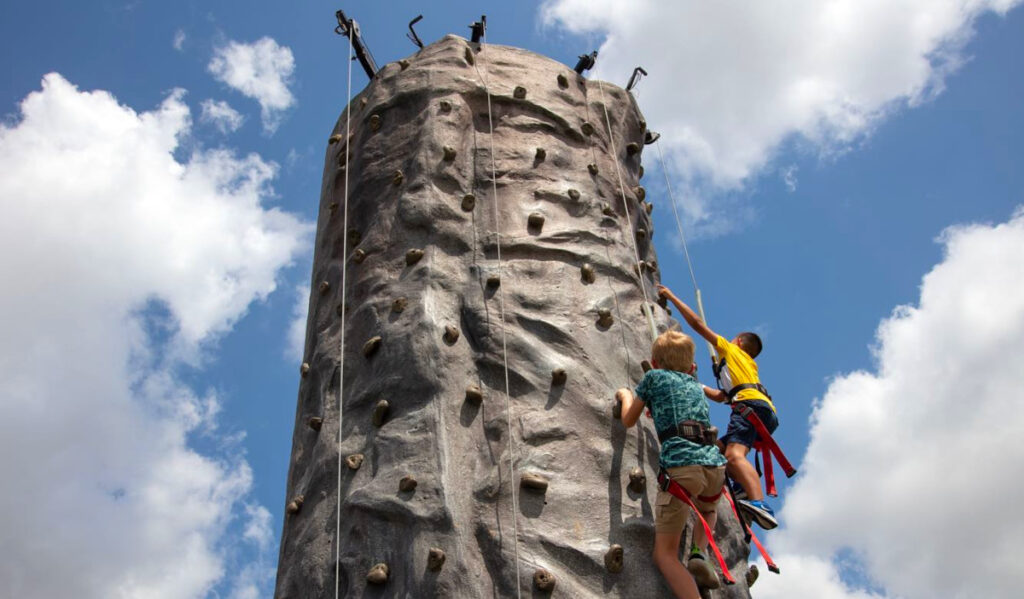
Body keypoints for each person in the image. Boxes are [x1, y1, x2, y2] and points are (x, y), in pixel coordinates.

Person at [656, 284, 780, 530]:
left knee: (734, 455)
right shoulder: (744, 370)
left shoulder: (733, 351)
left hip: (749, 407)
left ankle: (758, 502)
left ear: (740, 343)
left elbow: (698, 326)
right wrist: (692, 384)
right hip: (759, 409)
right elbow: (721, 396)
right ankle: (743, 491)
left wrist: (671, 296)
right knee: (717, 452)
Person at [615, 330, 727, 597]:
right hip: (714, 467)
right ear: (691, 366)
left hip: (681, 468)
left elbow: (629, 420)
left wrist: (624, 396)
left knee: (665, 555)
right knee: (708, 509)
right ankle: (699, 552)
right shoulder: (696, 386)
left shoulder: (653, 377)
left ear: (654, 362)